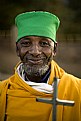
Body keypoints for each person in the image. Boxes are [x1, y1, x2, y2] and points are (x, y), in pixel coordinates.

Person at [0, 11, 81, 121]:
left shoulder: (77, 89)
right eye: (26, 43)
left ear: (55, 49)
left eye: (44, 43)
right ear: (17, 49)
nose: (35, 51)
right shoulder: (2, 91)